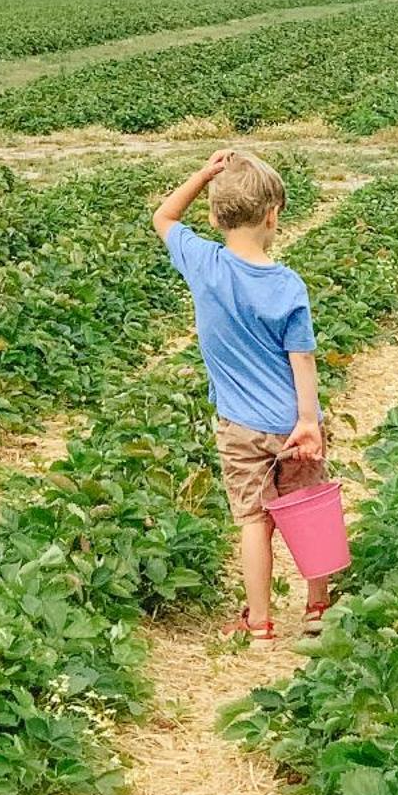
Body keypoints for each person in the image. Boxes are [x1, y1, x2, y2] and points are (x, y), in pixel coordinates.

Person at [153, 150, 328, 645]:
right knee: (309, 505)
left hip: (238, 426)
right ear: (273, 215)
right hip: (293, 422)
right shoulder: (288, 285)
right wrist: (308, 420)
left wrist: (204, 174)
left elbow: (163, 216)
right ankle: (316, 609)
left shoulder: (204, 263)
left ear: (213, 217)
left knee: (255, 520)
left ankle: (259, 623)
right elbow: (303, 359)